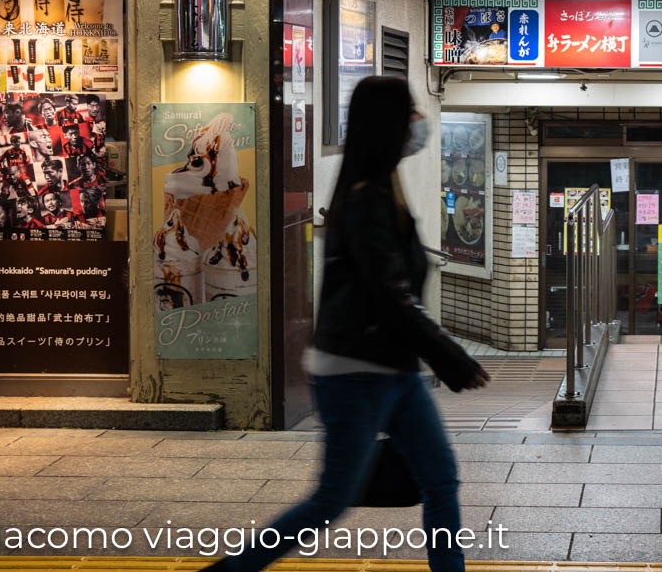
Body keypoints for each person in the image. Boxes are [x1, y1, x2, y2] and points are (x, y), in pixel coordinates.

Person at [208, 76, 489, 572]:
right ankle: (231, 569)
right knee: (330, 502)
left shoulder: (385, 190)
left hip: (395, 370)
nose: (419, 124)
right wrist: (450, 355)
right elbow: (391, 296)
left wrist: (435, 356)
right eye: (410, 114)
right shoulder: (365, 199)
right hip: (353, 373)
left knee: (440, 479)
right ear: (388, 125)